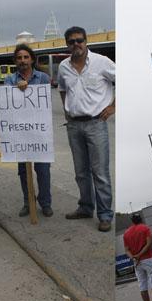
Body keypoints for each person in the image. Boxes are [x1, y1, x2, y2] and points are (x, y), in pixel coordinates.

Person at [58, 26, 115, 232]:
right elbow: (63, 89)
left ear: (86, 41)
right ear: (67, 44)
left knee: (99, 172)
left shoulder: (102, 62)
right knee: (81, 172)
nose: (76, 44)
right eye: (71, 41)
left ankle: (105, 215)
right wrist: (67, 111)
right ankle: (85, 207)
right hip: (74, 125)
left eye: (79, 40)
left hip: (95, 124)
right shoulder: (64, 67)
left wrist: (113, 106)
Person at [4, 44, 52, 218]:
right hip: (20, 133)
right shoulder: (9, 80)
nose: (22, 61)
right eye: (19, 58)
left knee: (43, 169)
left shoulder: (43, 78)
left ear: (32, 59)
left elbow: (46, 105)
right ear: (15, 61)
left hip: (39, 133)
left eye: (25, 57)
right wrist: (17, 89)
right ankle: (28, 202)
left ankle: (46, 203)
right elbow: (7, 106)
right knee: (24, 171)